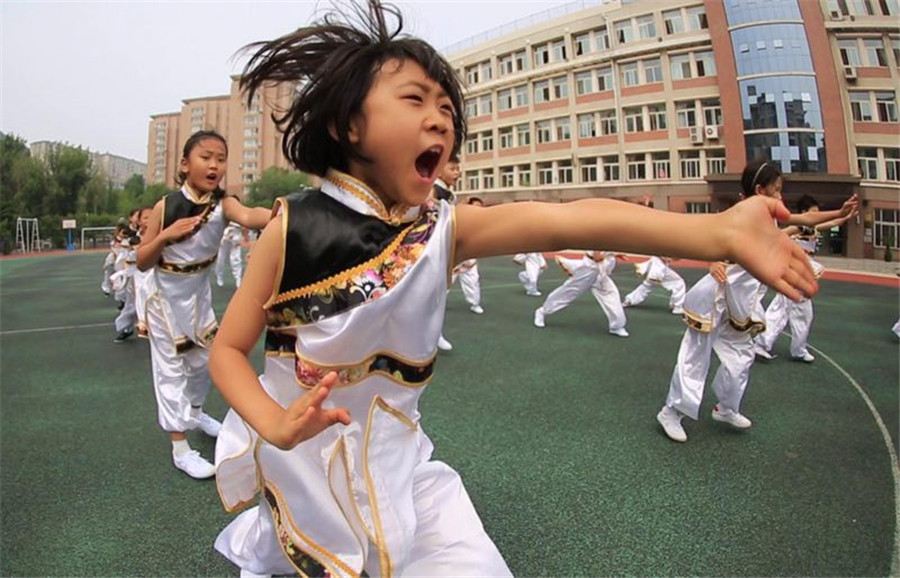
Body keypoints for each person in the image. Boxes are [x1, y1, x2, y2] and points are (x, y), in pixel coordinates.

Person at [208, 4, 817, 575]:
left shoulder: (444, 229)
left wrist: (718, 231)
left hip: (403, 466)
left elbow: (571, 218)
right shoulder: (291, 230)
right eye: (415, 98)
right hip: (304, 470)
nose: (439, 118)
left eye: (447, 108)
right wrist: (272, 422)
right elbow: (228, 351)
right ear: (348, 125)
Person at [656, 161, 856, 443]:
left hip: (742, 305)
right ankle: (671, 411)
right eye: (776, 191)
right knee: (695, 356)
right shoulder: (737, 216)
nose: (780, 196)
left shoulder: (770, 220)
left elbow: (805, 221)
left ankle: (726, 408)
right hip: (715, 297)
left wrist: (841, 212)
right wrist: (713, 261)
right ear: (760, 190)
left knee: (741, 357)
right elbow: (705, 238)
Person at [136, 130, 272, 480]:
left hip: (198, 298)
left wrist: (291, 211)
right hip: (165, 299)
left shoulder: (224, 205)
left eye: (221, 158)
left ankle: (195, 414)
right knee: (170, 371)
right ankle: (180, 447)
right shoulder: (166, 206)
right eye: (206, 156)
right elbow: (141, 260)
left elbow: (253, 216)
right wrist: (167, 235)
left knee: (203, 364)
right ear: (185, 164)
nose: (214, 165)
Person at [754, 194, 857, 363]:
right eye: (813, 213)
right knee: (780, 309)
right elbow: (782, 235)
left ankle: (798, 349)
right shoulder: (798, 227)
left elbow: (831, 223)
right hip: (792, 272)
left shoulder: (812, 228)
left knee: (803, 313)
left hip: (804, 273)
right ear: (804, 213)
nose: (817, 215)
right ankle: (762, 344)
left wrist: (845, 216)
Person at [533, 251, 628, 337]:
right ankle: (542, 311)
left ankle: (617, 326)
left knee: (611, 294)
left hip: (601, 271)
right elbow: (597, 256)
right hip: (590, 269)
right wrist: (611, 254)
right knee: (568, 292)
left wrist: (614, 254)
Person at [431, 156, 461, 350]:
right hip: (430, 248)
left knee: (439, 295)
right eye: (453, 168)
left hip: (442, 247)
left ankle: (434, 334)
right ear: (439, 170)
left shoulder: (447, 192)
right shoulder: (433, 190)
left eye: (458, 169)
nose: (457, 172)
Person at [450, 197, 485, 315]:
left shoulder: (482, 224)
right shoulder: (458, 218)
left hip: (469, 259)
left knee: (473, 282)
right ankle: (430, 306)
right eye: (474, 206)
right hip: (453, 257)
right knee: (441, 285)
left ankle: (475, 304)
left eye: (480, 208)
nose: (477, 210)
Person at [621, 255, 686, 315]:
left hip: (657, 264)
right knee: (679, 282)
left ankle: (629, 300)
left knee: (647, 285)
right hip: (658, 266)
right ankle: (677, 306)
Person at [216, 221, 247, 288]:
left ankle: (238, 278)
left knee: (236, 259)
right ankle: (219, 276)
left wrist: (245, 237)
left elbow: (244, 226)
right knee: (220, 260)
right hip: (224, 237)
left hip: (235, 237)